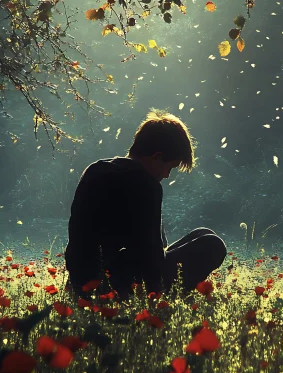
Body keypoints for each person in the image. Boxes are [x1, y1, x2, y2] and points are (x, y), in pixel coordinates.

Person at [64, 109, 227, 298]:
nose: (167, 175)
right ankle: (168, 296)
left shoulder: (95, 169)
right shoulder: (145, 183)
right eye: (170, 167)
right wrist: (155, 295)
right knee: (213, 244)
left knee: (202, 233)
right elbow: (152, 256)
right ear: (156, 157)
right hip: (113, 282)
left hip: (83, 276)